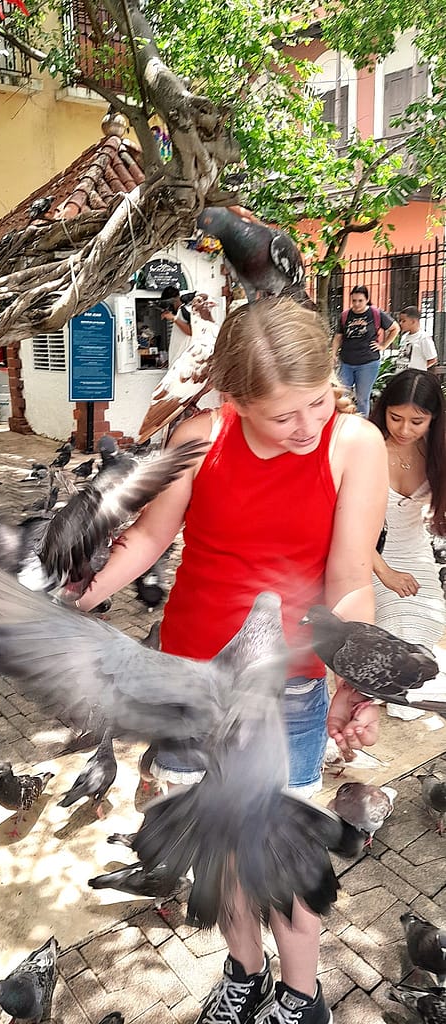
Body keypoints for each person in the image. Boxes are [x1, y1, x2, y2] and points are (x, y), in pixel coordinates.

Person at [79, 297, 387, 1024]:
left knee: (278, 860)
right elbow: (149, 541)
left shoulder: (354, 444)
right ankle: (244, 972)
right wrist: (61, 597)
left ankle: (299, 994)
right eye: (283, 416)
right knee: (218, 855)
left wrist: (357, 678)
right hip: (191, 684)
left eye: (316, 402)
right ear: (237, 400)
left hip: (287, 689)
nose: (306, 426)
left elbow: (347, 582)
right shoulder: (200, 435)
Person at [370, 369, 446, 719]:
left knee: (419, 643)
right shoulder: (366, 447)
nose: (404, 429)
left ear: (433, 418)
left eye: (417, 421)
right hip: (369, 557)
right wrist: (385, 573)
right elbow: (343, 528)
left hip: (415, 554)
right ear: (383, 409)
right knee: (391, 643)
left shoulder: (437, 450)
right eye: (396, 417)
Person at [332, 284, 400, 416]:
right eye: (354, 301)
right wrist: (333, 353)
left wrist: (383, 345)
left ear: (367, 299)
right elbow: (338, 337)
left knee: (362, 398)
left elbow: (395, 328)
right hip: (346, 362)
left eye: (360, 301)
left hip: (368, 363)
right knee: (342, 395)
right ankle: (344, 422)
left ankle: (362, 425)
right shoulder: (345, 315)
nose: (356, 304)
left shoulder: (376, 313)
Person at [396, 306, 438, 372]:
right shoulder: (404, 337)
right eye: (400, 321)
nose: (400, 323)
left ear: (413, 322)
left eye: (404, 321)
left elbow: (432, 359)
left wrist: (419, 369)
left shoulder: (423, 338)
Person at [160, 285, 194, 366]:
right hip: (178, 361)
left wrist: (173, 318)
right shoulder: (179, 312)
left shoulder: (184, 310)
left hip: (184, 362)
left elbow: (191, 331)